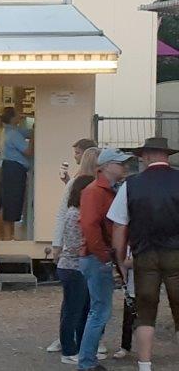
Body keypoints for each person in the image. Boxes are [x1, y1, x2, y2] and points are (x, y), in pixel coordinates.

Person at [109, 137, 179, 371]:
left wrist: (120, 259)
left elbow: (119, 226)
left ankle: (145, 365)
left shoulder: (131, 185)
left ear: (147, 156)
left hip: (144, 253)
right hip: (176, 253)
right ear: (166, 155)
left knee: (146, 310)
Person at [77, 147, 134, 371]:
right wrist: (104, 256)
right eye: (120, 163)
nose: (124, 167)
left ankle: (87, 361)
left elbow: (91, 225)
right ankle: (87, 363)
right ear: (107, 166)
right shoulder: (96, 191)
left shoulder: (101, 190)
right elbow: (90, 226)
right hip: (97, 257)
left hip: (96, 256)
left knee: (98, 310)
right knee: (99, 312)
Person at [57, 162, 94, 365]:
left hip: (80, 267)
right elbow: (72, 244)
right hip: (73, 267)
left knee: (82, 309)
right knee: (72, 310)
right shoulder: (74, 214)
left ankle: (80, 347)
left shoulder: (79, 212)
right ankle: (68, 349)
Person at [0, 107, 33, 240]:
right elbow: (28, 152)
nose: (20, 116)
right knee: (12, 203)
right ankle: (8, 238)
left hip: (9, 169)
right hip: (14, 170)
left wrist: (34, 131)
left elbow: (26, 132)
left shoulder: (10, 130)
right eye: (18, 114)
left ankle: (7, 236)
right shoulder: (13, 134)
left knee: (7, 202)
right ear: (13, 118)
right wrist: (34, 139)